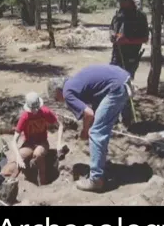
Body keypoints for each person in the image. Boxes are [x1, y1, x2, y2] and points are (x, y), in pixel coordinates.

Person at [47, 64, 132, 192]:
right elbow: (95, 108)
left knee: (96, 132)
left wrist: (85, 131)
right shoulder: (76, 83)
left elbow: (88, 113)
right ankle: (101, 166)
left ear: (58, 91)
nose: (59, 101)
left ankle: (96, 180)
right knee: (101, 128)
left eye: (56, 98)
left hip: (116, 87)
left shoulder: (67, 92)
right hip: (123, 79)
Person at [1, 92, 63, 186]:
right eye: (32, 109)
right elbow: (14, 141)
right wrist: (18, 157)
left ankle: (42, 181)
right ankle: (7, 181)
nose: (35, 111)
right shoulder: (25, 117)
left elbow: (60, 125)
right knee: (15, 161)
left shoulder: (45, 112)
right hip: (29, 144)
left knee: (38, 154)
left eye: (36, 108)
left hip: (42, 142)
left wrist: (58, 143)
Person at [109, 0, 149, 79]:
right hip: (116, 55)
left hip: (130, 57)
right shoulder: (118, 15)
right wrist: (112, 35)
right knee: (112, 80)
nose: (121, 3)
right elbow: (111, 28)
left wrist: (127, 41)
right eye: (120, 0)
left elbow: (145, 38)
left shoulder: (140, 16)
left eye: (124, 0)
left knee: (126, 82)